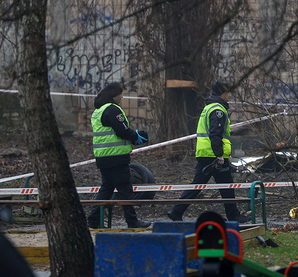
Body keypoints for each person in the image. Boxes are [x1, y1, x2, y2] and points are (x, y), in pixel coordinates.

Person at [167, 81, 250, 223]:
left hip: (206, 153)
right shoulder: (218, 110)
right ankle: (233, 215)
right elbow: (215, 134)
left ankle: (176, 211)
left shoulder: (209, 107)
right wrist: (219, 155)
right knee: (225, 185)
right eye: (228, 92)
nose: (229, 95)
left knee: (205, 184)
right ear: (222, 94)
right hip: (213, 155)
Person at [87, 82, 152, 229]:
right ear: (114, 95)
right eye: (120, 94)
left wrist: (133, 136)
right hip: (115, 157)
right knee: (125, 189)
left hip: (103, 157)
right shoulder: (112, 109)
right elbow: (122, 131)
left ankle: (93, 219)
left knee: (106, 189)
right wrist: (136, 136)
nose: (122, 97)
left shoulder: (98, 110)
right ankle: (132, 221)